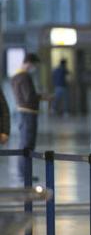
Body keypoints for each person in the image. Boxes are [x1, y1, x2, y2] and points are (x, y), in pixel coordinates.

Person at [11, 53, 48, 182]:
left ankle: (24, 173)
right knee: (28, 144)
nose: (34, 68)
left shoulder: (15, 76)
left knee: (24, 143)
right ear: (29, 63)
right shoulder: (25, 76)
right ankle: (25, 174)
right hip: (28, 113)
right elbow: (29, 96)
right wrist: (41, 97)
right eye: (34, 65)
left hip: (21, 112)